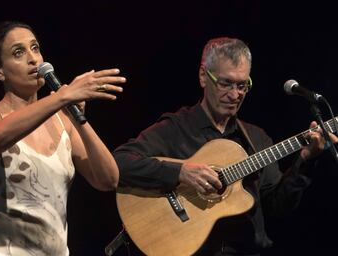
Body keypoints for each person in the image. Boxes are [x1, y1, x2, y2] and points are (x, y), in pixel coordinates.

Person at [113, 37, 338, 255]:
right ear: (203, 76)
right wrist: (180, 172)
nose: (234, 94)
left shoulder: (256, 138)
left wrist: (306, 161)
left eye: (242, 85)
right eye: (225, 83)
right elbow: (118, 163)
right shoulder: (176, 128)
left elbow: (276, 207)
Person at [0, 21, 126, 256]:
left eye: (35, 48)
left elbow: (108, 179)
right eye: (18, 53)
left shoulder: (62, 121)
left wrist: (77, 118)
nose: (33, 59)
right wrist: (62, 97)